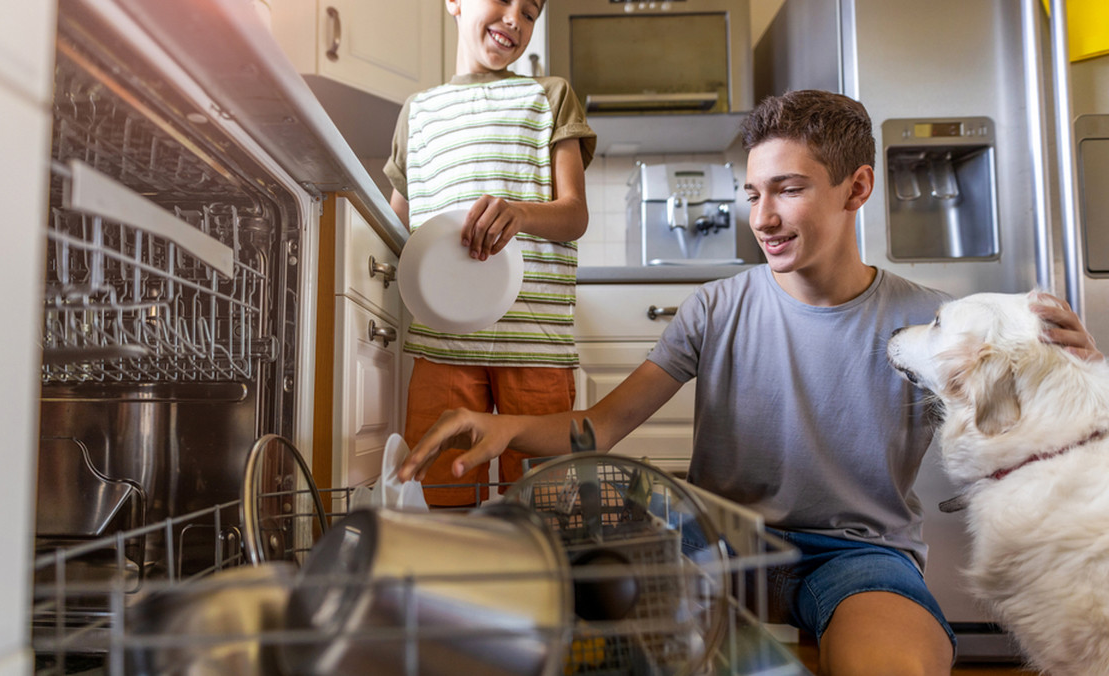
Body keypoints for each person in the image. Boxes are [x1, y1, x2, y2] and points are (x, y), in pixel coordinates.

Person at [397, 89, 1102, 674]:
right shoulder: (717, 306)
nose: (761, 218)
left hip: (860, 557)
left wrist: (1080, 375)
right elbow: (602, 427)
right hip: (717, 548)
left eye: (788, 190)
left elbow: (1041, 441)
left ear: (857, 187)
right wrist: (506, 429)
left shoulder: (936, 326)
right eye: (751, 192)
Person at [383, 0, 596, 506]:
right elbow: (392, 230)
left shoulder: (550, 96)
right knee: (440, 501)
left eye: (529, 12)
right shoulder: (419, 112)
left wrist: (520, 214)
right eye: (504, 2)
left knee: (546, 506)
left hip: (536, 344)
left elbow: (574, 215)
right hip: (444, 343)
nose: (515, 21)